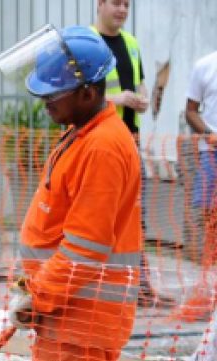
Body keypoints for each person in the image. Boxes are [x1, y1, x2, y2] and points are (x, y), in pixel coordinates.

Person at [8, 25, 142, 361]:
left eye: (53, 94)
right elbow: (56, 228)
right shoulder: (82, 135)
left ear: (89, 90)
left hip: (81, 319)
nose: (45, 104)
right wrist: (34, 292)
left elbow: (84, 249)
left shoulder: (106, 147)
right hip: (62, 317)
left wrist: (37, 295)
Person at [91, 0, 172, 307]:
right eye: (116, 3)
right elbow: (78, 92)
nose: (122, 9)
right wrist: (118, 98)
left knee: (135, 212)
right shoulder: (86, 42)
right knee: (102, 211)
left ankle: (137, 283)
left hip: (129, 138)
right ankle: (102, 282)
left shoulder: (131, 43)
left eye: (126, 4)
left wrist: (141, 97)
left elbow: (137, 83)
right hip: (98, 140)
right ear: (100, 4)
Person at [185, 51, 217, 270]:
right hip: (212, 153)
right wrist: (210, 134)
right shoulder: (205, 65)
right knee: (210, 219)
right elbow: (191, 111)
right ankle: (209, 278)